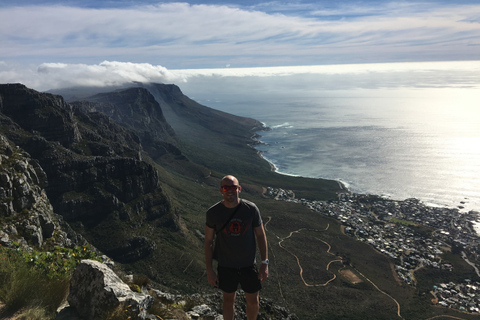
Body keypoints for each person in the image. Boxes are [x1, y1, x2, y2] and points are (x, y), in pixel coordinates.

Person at [205, 175, 269, 320]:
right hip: (226, 266)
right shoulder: (213, 213)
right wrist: (209, 270)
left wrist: (264, 263)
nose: (230, 191)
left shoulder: (251, 209)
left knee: (253, 301)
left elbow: (261, 235)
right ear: (221, 190)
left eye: (233, 187)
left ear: (239, 189)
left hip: (248, 265)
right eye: (226, 188)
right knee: (228, 301)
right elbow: (208, 241)